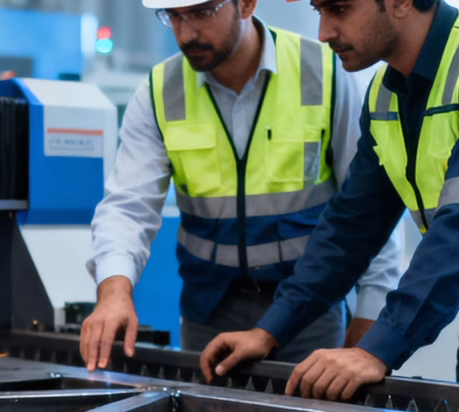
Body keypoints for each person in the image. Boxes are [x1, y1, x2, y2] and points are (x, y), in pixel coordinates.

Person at [200, 0, 459, 398]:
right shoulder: (386, 93)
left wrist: (375, 350)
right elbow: (352, 226)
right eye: (319, 12)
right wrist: (270, 330)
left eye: (339, 9)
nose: (323, 32)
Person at [80, 0, 402, 371]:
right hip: (210, 311)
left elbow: (368, 209)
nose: (186, 33)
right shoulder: (160, 91)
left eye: (202, 12)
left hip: (309, 311)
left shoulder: (325, 72)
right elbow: (127, 206)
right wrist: (113, 291)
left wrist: (369, 316)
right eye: (174, 16)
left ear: (247, 4)